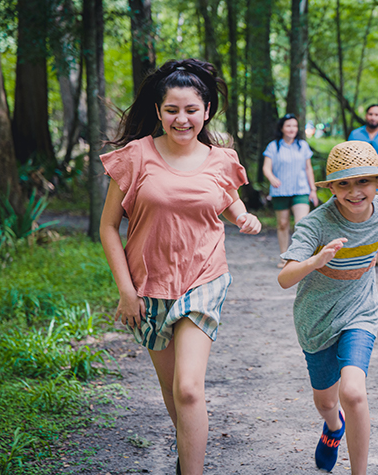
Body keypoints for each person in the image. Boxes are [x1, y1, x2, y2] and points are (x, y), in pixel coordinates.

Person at [99, 58, 261, 475]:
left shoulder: (221, 159)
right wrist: (126, 291)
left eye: (191, 109)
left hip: (204, 279)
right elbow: (108, 228)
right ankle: (187, 449)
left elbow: (227, 200)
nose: (181, 118)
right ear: (158, 112)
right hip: (148, 286)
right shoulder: (135, 156)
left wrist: (242, 217)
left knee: (188, 389)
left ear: (206, 111)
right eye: (172, 109)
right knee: (173, 392)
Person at [277, 141, 378, 475]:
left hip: (361, 311)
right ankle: (333, 427)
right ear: (331, 188)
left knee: (354, 393)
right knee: (327, 403)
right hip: (316, 320)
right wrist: (316, 260)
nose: (355, 192)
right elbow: (285, 279)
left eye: (363, 182)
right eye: (344, 183)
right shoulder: (316, 225)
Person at [262, 113, 319, 266]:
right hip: (280, 191)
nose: (292, 129)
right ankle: (283, 257)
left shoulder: (303, 146)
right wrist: (272, 178)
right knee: (282, 224)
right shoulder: (274, 146)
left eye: (294, 126)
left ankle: (299, 256)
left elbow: (308, 169)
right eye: (288, 125)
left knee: (301, 223)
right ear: (282, 128)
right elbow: (266, 168)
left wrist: (313, 189)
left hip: (301, 190)